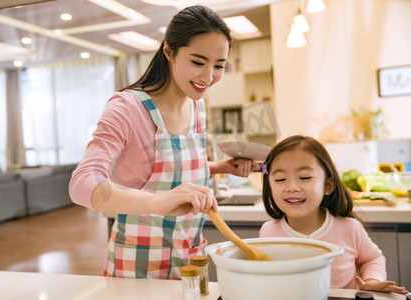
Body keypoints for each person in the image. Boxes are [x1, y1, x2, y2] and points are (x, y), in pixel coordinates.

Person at [69, 5, 257, 280]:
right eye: (197, 62)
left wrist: (221, 167)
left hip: (190, 258)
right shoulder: (128, 108)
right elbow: (81, 183)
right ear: (168, 51)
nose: (208, 77)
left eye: (219, 66)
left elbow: (167, 169)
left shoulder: (197, 109)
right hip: (139, 262)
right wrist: (158, 202)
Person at [259, 135, 408, 295]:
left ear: (327, 186)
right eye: (280, 179)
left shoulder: (349, 228)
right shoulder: (268, 232)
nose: (292, 187)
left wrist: (372, 281)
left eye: (305, 177)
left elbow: (372, 258)